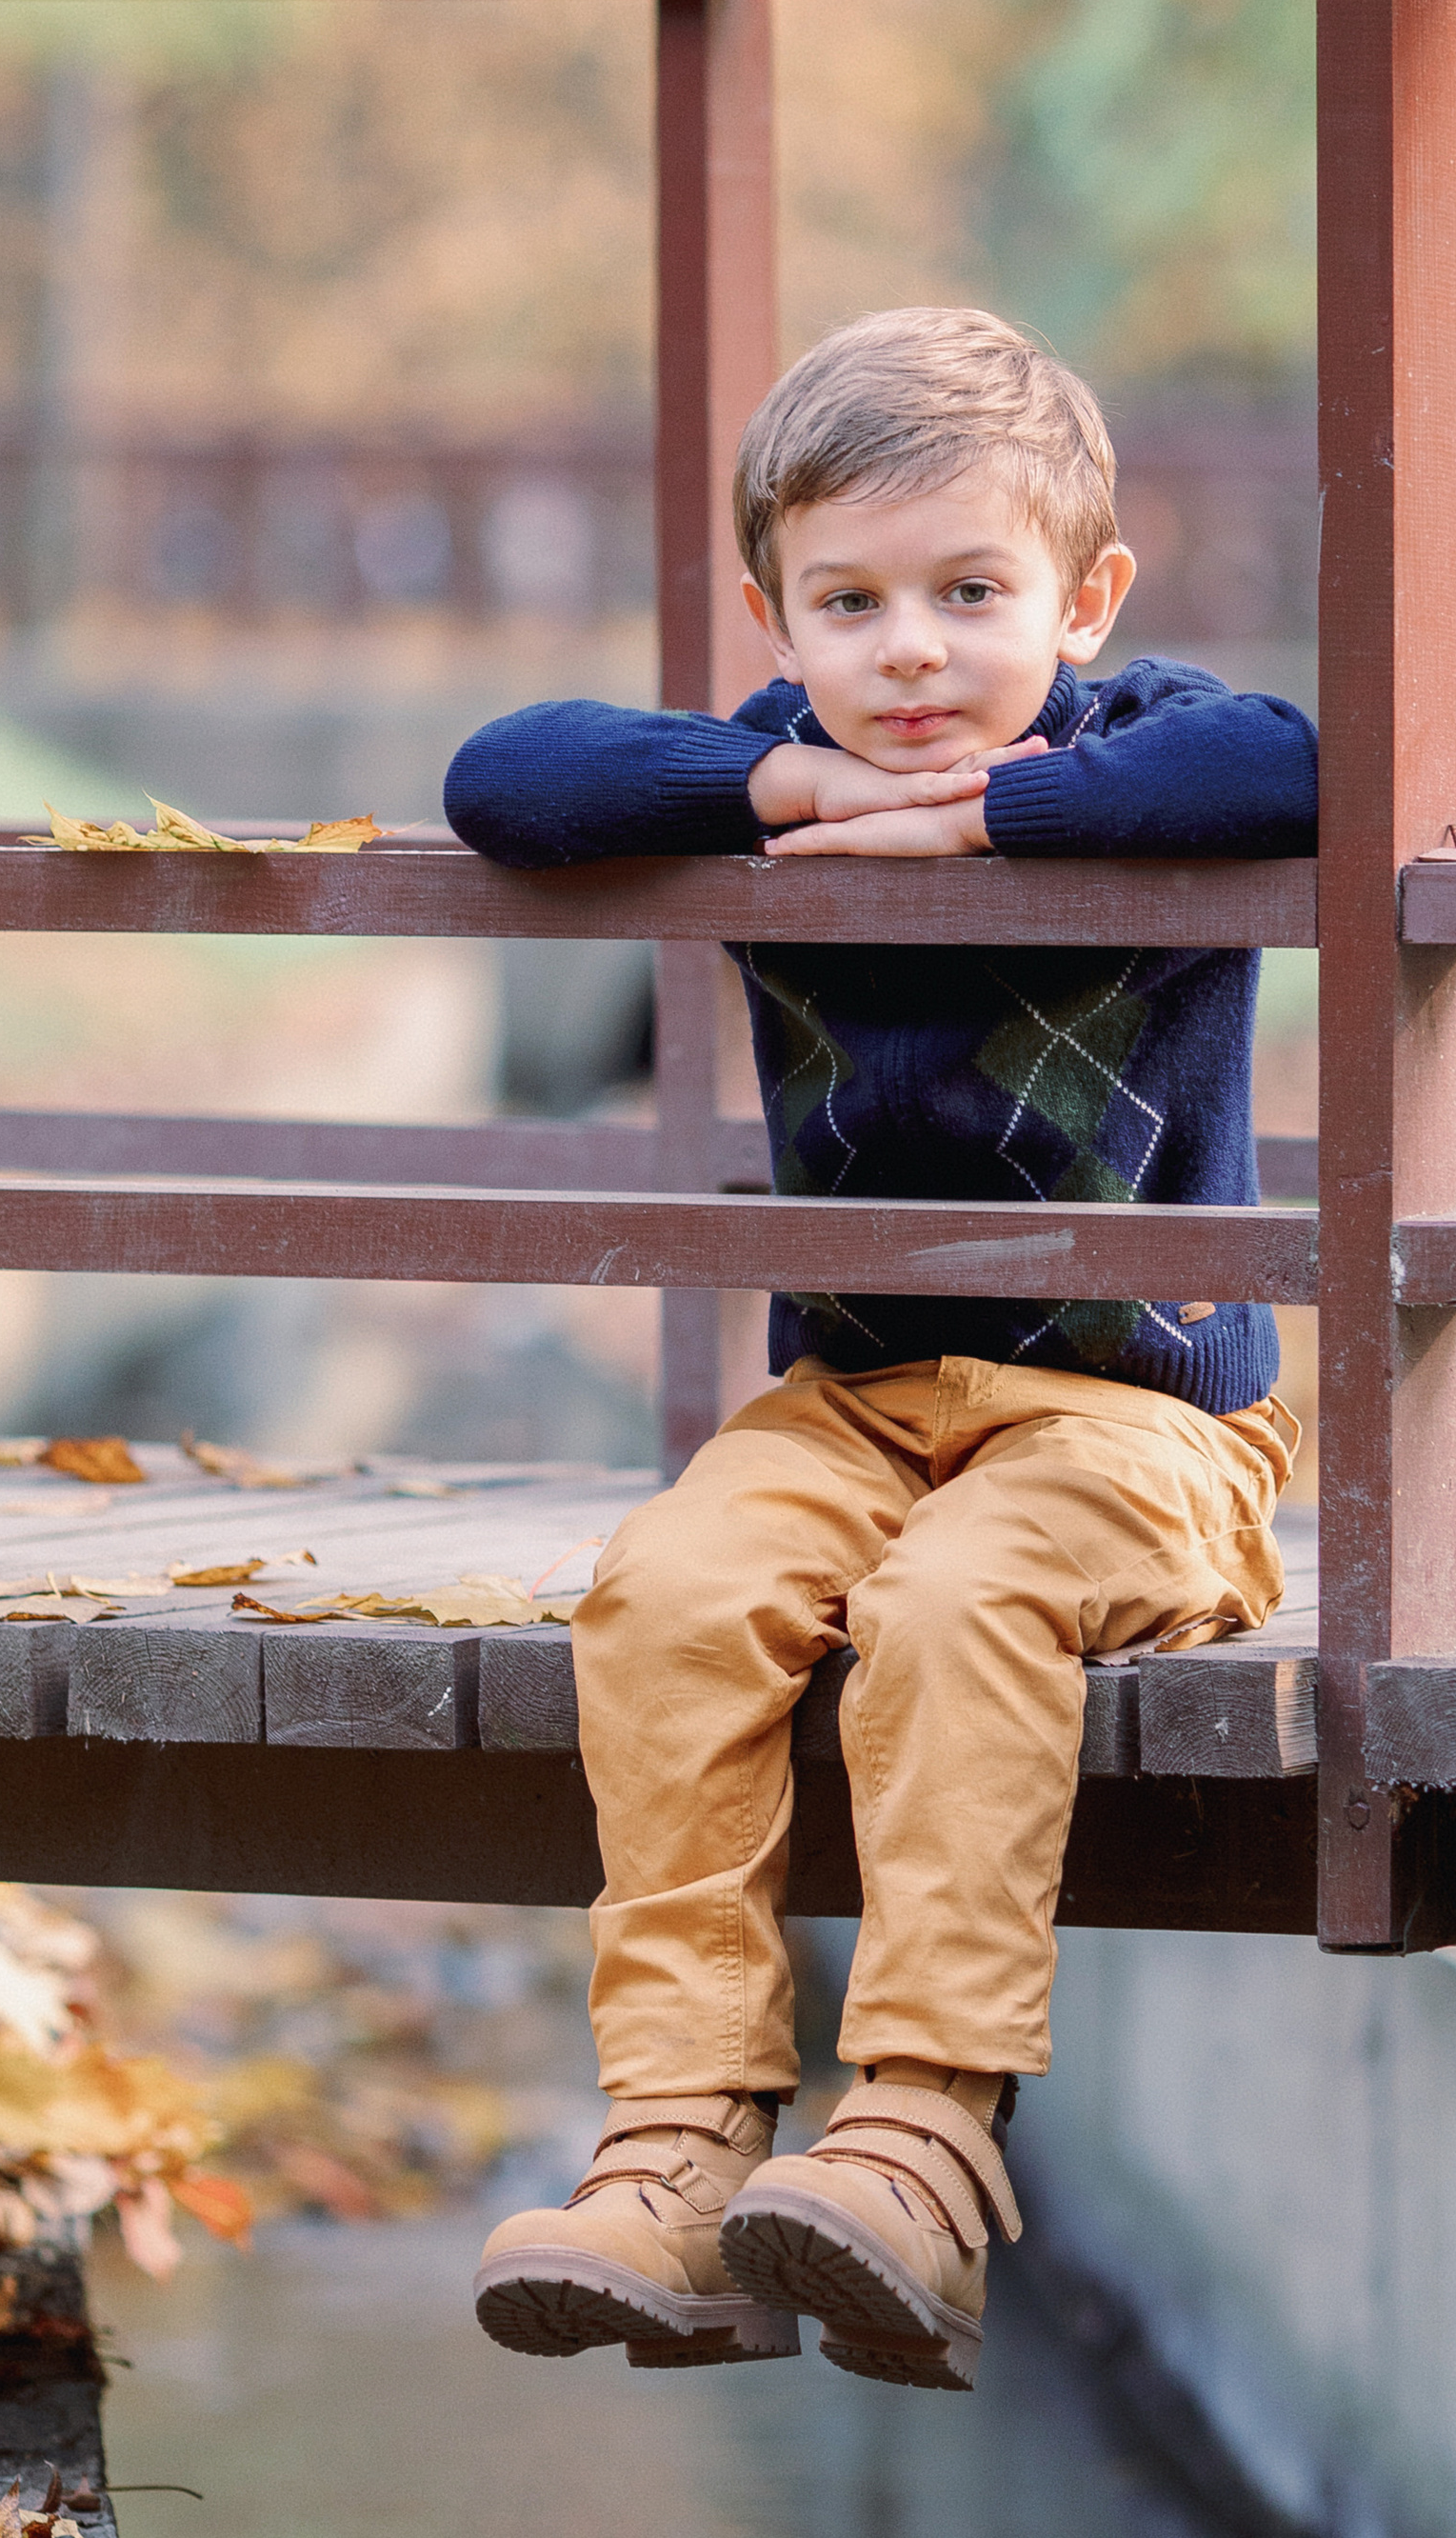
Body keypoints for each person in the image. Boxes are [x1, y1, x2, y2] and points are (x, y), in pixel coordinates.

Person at [444, 306, 1316, 2392]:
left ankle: (922, 2136)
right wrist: (779, 780)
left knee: (956, 1600)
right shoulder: (778, 768)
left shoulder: (1150, 750)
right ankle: (679, 2152)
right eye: (848, 604)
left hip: (1139, 1423)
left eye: (970, 593)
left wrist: (998, 823)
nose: (912, 652)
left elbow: (1303, 759)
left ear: (1083, 599)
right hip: (848, 1404)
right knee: (670, 1587)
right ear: (777, 617)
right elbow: (505, 778)